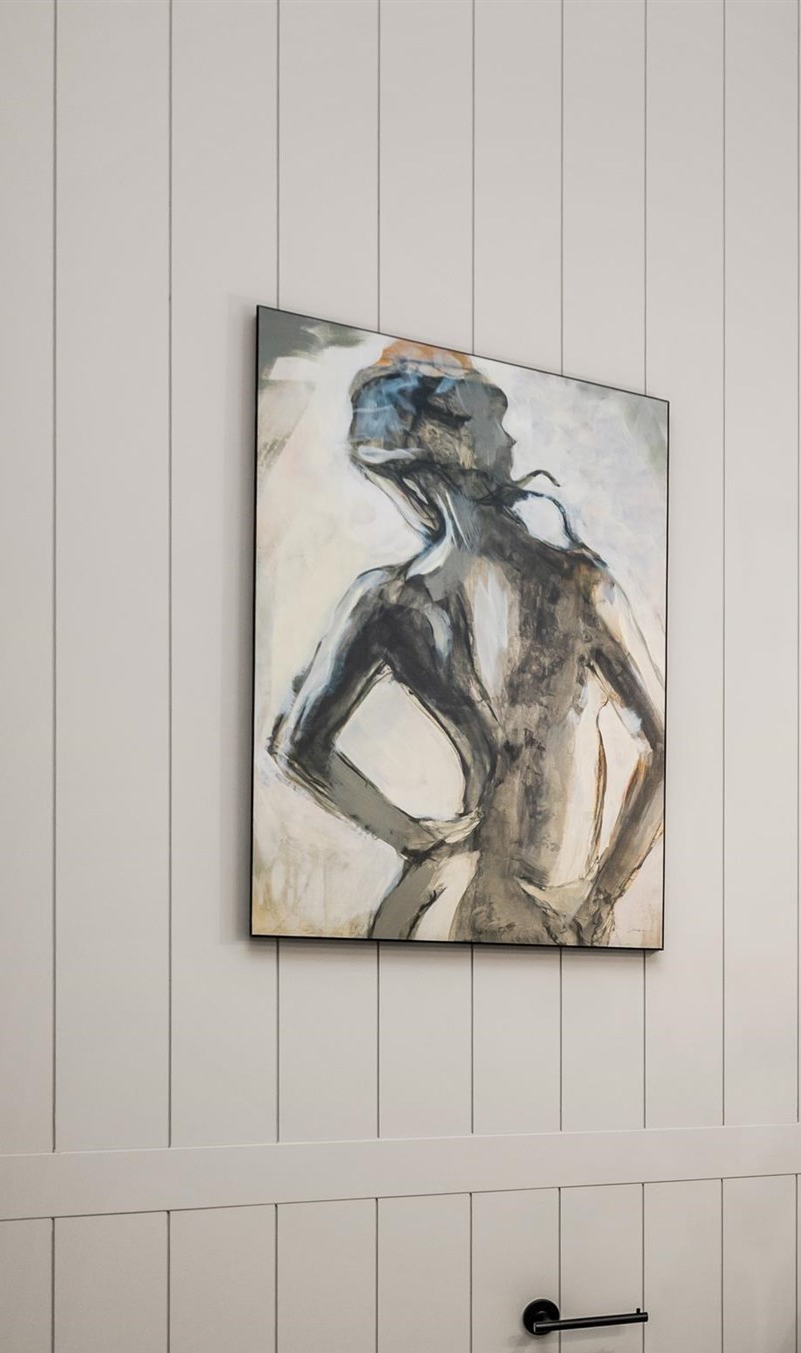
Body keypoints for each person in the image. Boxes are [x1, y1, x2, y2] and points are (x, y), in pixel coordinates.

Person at [266, 341, 665, 944]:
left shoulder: (390, 600)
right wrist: (601, 895)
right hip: (536, 903)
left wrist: (414, 839)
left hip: (449, 895)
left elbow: (299, 746)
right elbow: (663, 747)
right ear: (450, 439)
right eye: (494, 422)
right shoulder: (582, 587)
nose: (509, 442)